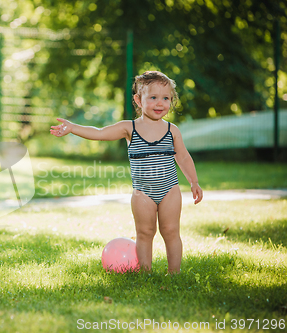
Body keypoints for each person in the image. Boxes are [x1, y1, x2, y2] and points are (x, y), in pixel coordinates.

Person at [50, 71, 203, 273]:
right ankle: (145, 273)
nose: (160, 103)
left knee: (171, 231)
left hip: (170, 189)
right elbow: (99, 133)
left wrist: (193, 181)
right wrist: (73, 128)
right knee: (145, 232)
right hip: (142, 193)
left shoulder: (172, 130)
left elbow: (182, 156)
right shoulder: (129, 128)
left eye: (166, 98)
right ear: (138, 100)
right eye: (153, 97)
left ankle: (175, 273)